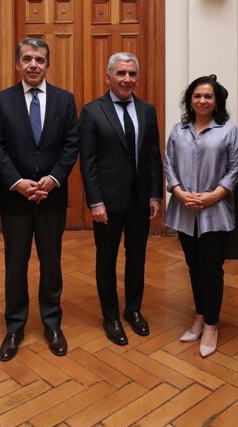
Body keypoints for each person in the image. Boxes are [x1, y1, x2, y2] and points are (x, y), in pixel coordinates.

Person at [0, 38, 79, 361]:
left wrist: (53, 179)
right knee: (15, 265)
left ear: (47, 64)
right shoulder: (2, 100)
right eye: (27, 59)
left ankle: (52, 324)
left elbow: (71, 145)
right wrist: (17, 182)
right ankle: (15, 327)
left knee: (51, 263)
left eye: (39, 59)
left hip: (52, 198)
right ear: (17, 64)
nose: (33, 65)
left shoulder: (65, 100)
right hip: (16, 199)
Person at [79, 52, 163, 346]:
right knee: (106, 259)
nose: (127, 79)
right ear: (108, 77)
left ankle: (133, 310)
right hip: (107, 202)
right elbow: (87, 161)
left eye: (132, 74)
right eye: (121, 73)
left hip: (140, 201)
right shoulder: (92, 111)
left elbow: (153, 155)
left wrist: (155, 194)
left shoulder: (147, 110)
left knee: (137, 258)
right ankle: (111, 316)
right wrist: (95, 202)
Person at [164, 75, 238, 358]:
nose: (202, 100)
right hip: (184, 210)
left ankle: (211, 325)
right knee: (193, 266)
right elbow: (168, 164)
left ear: (217, 101)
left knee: (211, 269)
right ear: (189, 100)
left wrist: (212, 196)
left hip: (215, 211)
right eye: (197, 96)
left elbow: (235, 168)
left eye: (208, 96)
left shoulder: (228, 131)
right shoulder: (178, 130)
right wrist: (179, 192)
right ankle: (200, 315)